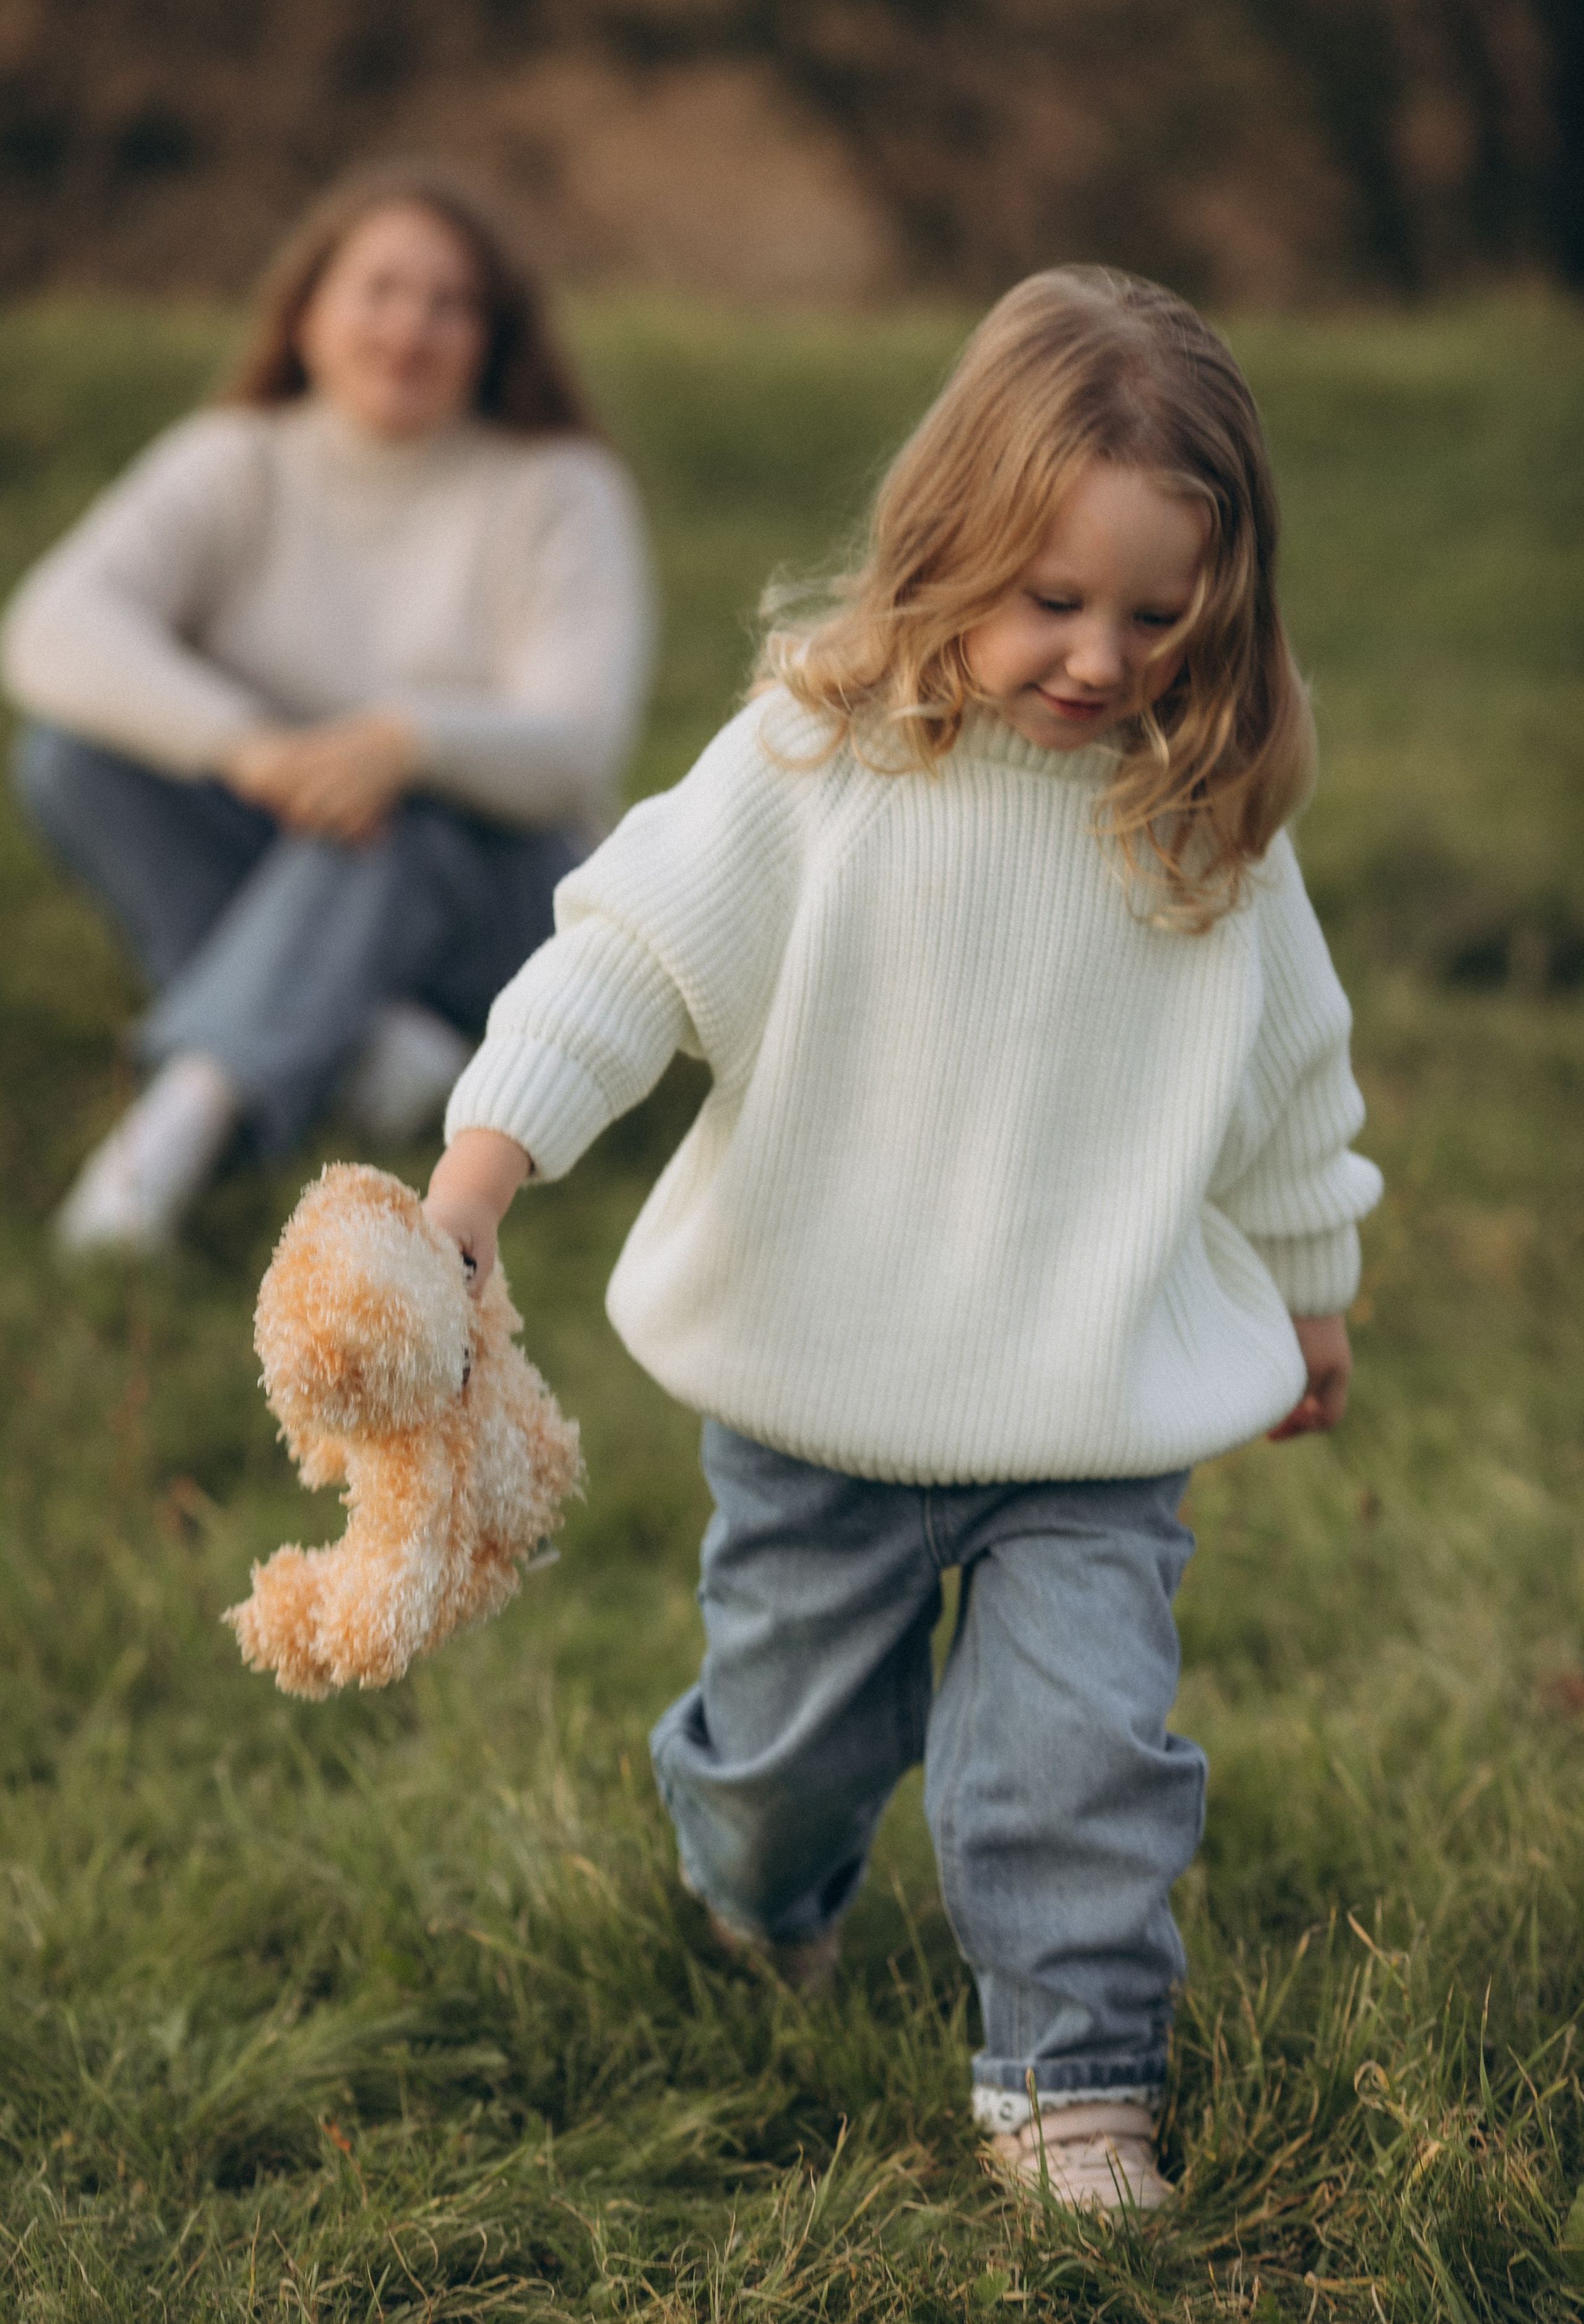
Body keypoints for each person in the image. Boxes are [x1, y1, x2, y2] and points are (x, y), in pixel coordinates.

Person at [422, 268, 1382, 2212]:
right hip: (819, 1399)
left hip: (1086, 1418)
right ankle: (752, 1895)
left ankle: (1072, 2080)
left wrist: (1311, 1291)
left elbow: (1292, 1082)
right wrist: (477, 1173)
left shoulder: (1208, 830)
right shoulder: (818, 764)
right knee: (791, 1757)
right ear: (946, 544)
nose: (1100, 659)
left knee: (1072, 1762)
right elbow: (626, 963)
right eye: (1052, 600)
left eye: (1156, 612)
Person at [3, 161, 655, 1254]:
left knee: (396, 818)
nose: (411, 326)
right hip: (298, 836)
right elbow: (51, 627)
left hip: (503, 901)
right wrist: (249, 748)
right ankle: (359, 1042)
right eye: (381, 290)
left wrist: (407, 741)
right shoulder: (235, 463)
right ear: (307, 311)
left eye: (452, 304)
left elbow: (577, 744)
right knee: (73, 760)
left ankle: (175, 1130)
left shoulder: (557, 488)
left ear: (494, 339)